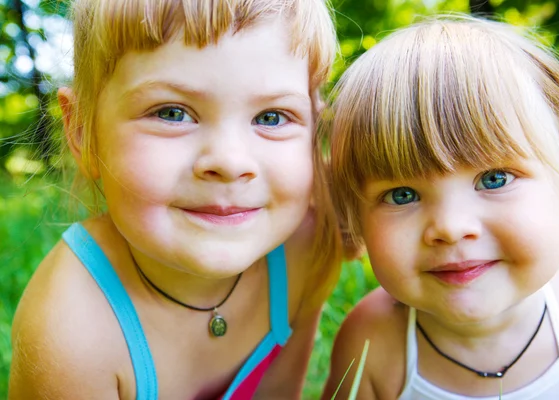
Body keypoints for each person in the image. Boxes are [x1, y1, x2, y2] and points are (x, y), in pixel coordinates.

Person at [8, 0, 343, 399]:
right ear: (82, 131)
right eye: (171, 113)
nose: (229, 162)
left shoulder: (305, 247)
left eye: (271, 117)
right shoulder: (71, 331)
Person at [323, 16, 559, 400]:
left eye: (494, 179)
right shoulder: (371, 343)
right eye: (403, 194)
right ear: (356, 217)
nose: (451, 227)